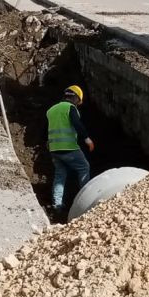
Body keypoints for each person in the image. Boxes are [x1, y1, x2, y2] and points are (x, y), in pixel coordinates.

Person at [46, 85, 93, 215]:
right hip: (68, 148)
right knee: (84, 167)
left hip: (54, 149)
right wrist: (87, 139)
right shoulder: (70, 108)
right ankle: (86, 200)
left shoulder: (51, 110)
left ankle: (57, 204)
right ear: (76, 98)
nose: (78, 104)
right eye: (79, 101)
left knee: (60, 175)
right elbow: (77, 124)